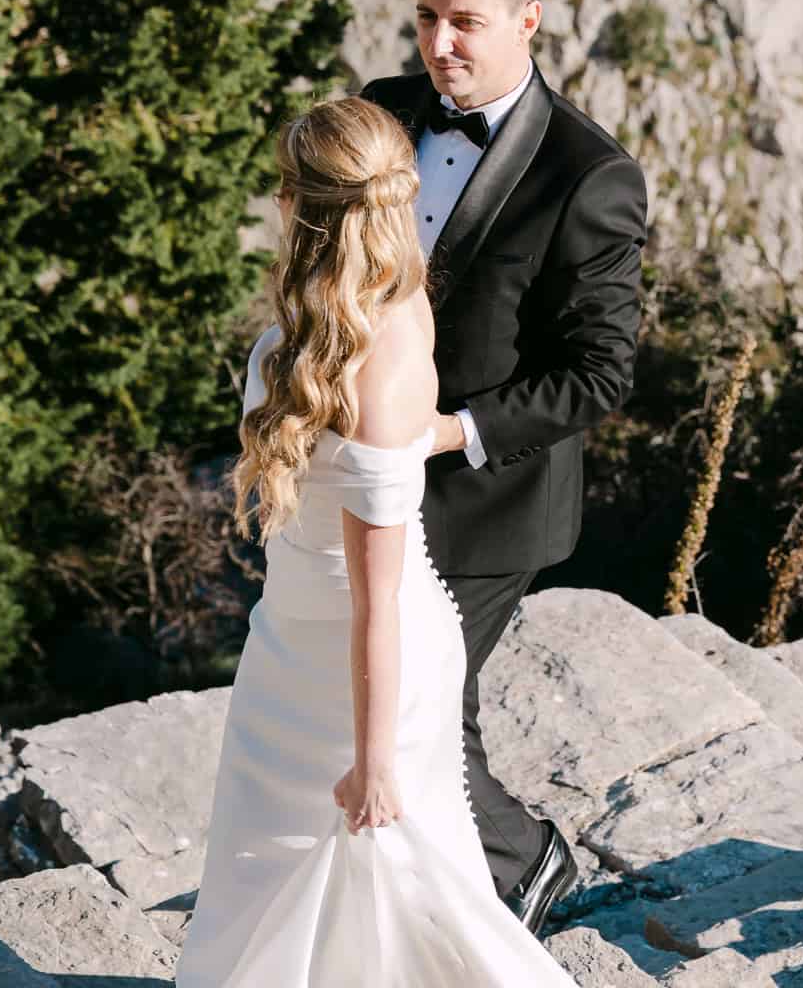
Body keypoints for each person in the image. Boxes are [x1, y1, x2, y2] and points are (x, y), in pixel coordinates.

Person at [177, 97, 575, 987]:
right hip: (286, 644)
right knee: (260, 867)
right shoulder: (321, 324)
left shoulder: (388, 354)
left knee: (396, 876)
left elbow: (378, 594)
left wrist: (373, 760)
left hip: (365, 664)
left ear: (296, 206)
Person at [361, 0, 647, 933]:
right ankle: (418, 884)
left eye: (466, 21)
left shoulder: (588, 174)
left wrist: (450, 430)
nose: (440, 42)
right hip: (362, 476)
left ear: (529, 19)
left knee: (418, 712)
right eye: (428, 16)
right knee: (374, 695)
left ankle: (525, 865)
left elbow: (599, 372)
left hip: (486, 495)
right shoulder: (382, 115)